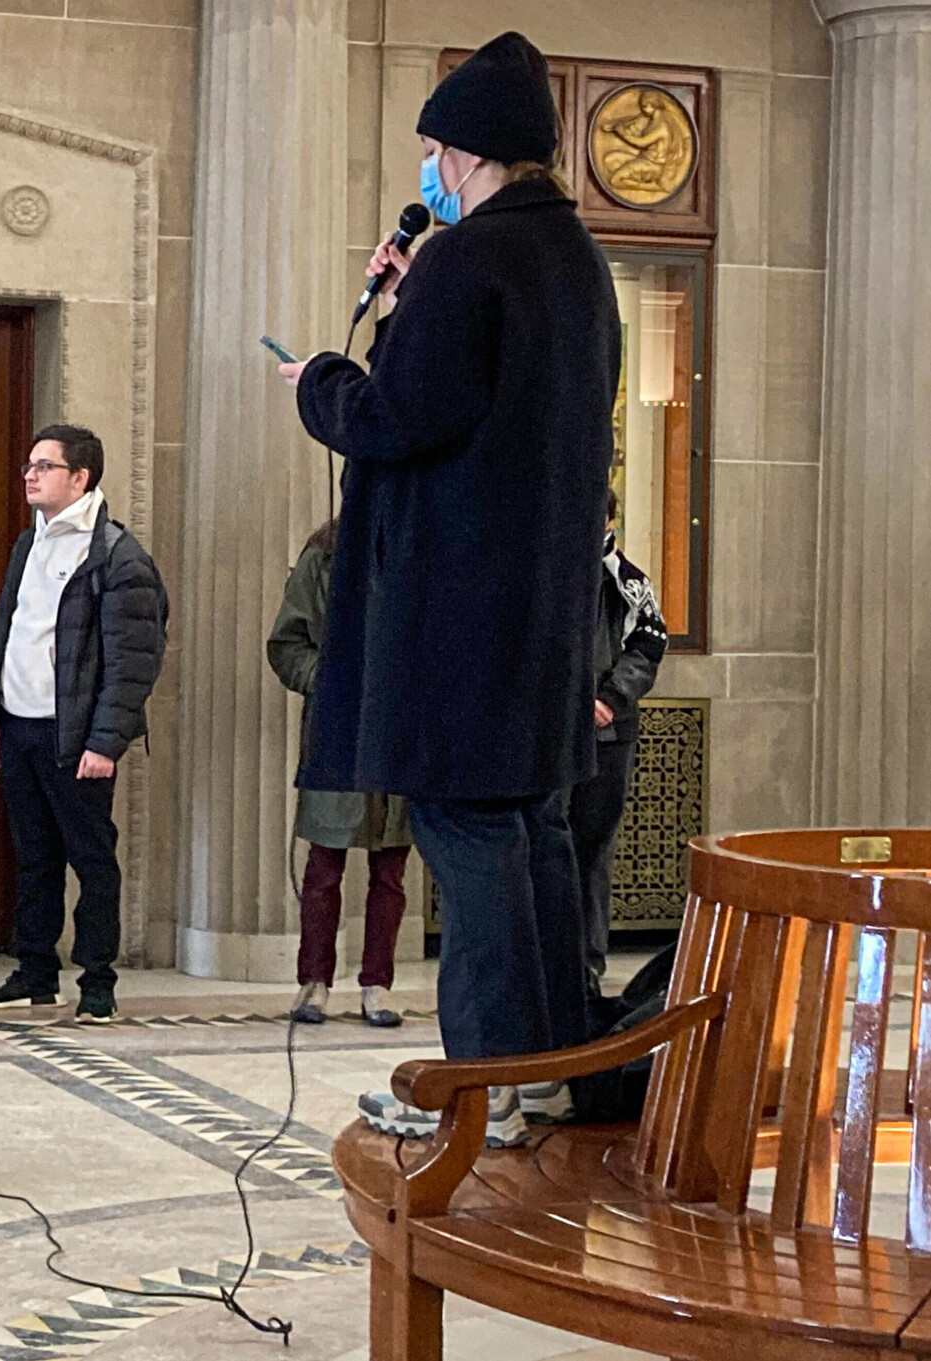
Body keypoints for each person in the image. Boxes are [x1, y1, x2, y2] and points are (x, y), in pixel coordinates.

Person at [279, 32, 621, 1146]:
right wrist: (396, 313)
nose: (427, 167)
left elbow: (393, 419)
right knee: (527, 840)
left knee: (469, 847)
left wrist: (322, 378)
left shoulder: (471, 262)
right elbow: (477, 410)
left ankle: (480, 1093)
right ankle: (548, 1072)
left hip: (455, 615)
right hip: (535, 618)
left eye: (433, 148)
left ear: (462, 151)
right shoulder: (574, 260)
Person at [0, 425, 168, 1024]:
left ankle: (98, 978)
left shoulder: (116, 554)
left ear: (80, 478)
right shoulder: (26, 544)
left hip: (76, 734)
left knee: (91, 856)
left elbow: (134, 660)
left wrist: (106, 741)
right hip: (21, 724)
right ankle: (35, 970)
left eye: (44, 466)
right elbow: (11, 633)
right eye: (29, 465)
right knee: (33, 855)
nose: (29, 475)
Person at [267, 519, 411, 1029]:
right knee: (324, 866)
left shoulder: (420, 544)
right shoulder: (321, 556)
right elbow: (286, 643)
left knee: (390, 867)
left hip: (400, 725)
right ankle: (314, 981)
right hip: (338, 729)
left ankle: (378, 984)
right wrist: (326, 686)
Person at [570, 487, 667, 1004]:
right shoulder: (552, 571)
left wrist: (609, 697)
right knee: (546, 846)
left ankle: (586, 962)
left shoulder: (627, 581)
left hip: (606, 733)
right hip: (554, 734)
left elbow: (648, 644)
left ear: (610, 520)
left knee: (592, 849)